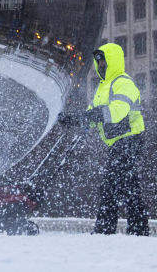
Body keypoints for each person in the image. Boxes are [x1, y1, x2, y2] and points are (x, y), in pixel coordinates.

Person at [58, 43, 148, 236]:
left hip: (130, 139)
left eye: (104, 62)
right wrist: (74, 119)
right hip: (118, 142)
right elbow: (92, 116)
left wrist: (93, 116)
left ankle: (105, 230)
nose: (101, 66)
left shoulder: (123, 82)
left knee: (111, 186)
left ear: (113, 61)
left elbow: (117, 111)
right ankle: (138, 230)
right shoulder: (102, 87)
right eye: (98, 63)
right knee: (127, 186)